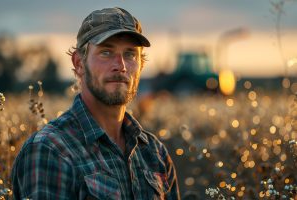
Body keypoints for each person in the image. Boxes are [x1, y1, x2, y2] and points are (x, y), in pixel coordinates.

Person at [11, 7, 180, 200]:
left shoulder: (154, 153)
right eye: (106, 52)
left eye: (130, 54)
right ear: (79, 63)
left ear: (141, 64)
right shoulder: (50, 150)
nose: (121, 66)